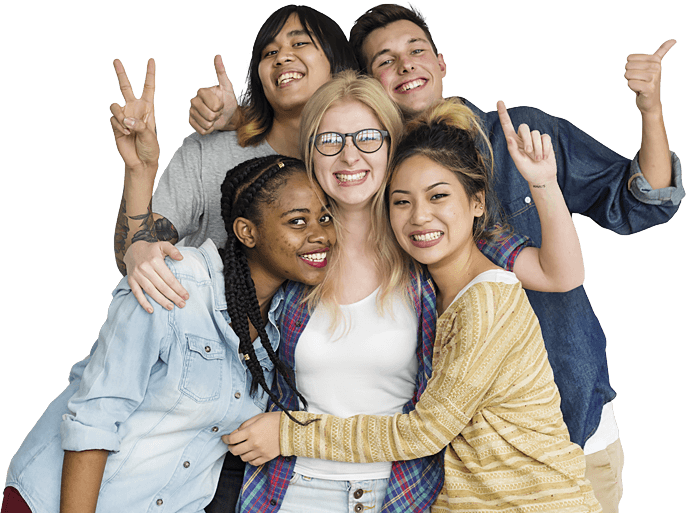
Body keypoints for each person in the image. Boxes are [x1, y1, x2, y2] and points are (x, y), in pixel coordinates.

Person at [226, 69, 588, 513]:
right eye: (330, 140)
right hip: (296, 483)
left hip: (404, 489)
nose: (349, 155)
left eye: (367, 138)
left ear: (390, 145)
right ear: (310, 152)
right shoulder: (291, 247)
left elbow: (560, 274)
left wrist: (544, 183)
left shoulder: (436, 244)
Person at [3, 123, 337, 513]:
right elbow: (94, 415)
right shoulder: (173, 283)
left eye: (326, 218)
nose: (320, 234)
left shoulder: (284, 322)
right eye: (298, 221)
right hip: (64, 502)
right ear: (247, 232)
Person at [112, 5, 357, 314]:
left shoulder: (358, 161)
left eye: (299, 43)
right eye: (268, 53)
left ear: (339, 64)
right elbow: (134, 258)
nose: (281, 57)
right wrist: (140, 169)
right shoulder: (210, 151)